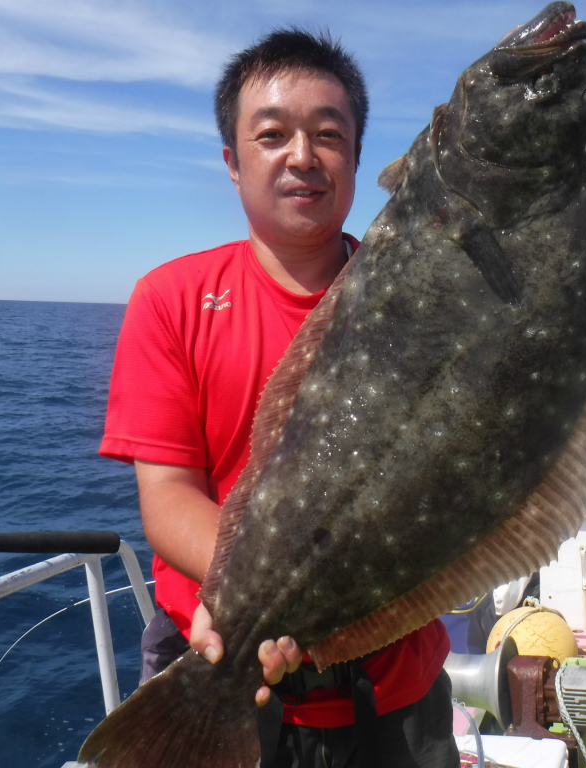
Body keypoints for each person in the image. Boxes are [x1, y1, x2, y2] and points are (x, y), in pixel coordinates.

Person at [100, 28, 456, 768]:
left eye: (329, 135)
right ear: (232, 162)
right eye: (272, 135)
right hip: (216, 664)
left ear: (357, 158)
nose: (302, 156)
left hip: (394, 696)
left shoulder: (426, 302)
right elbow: (167, 496)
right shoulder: (171, 300)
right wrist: (253, 601)